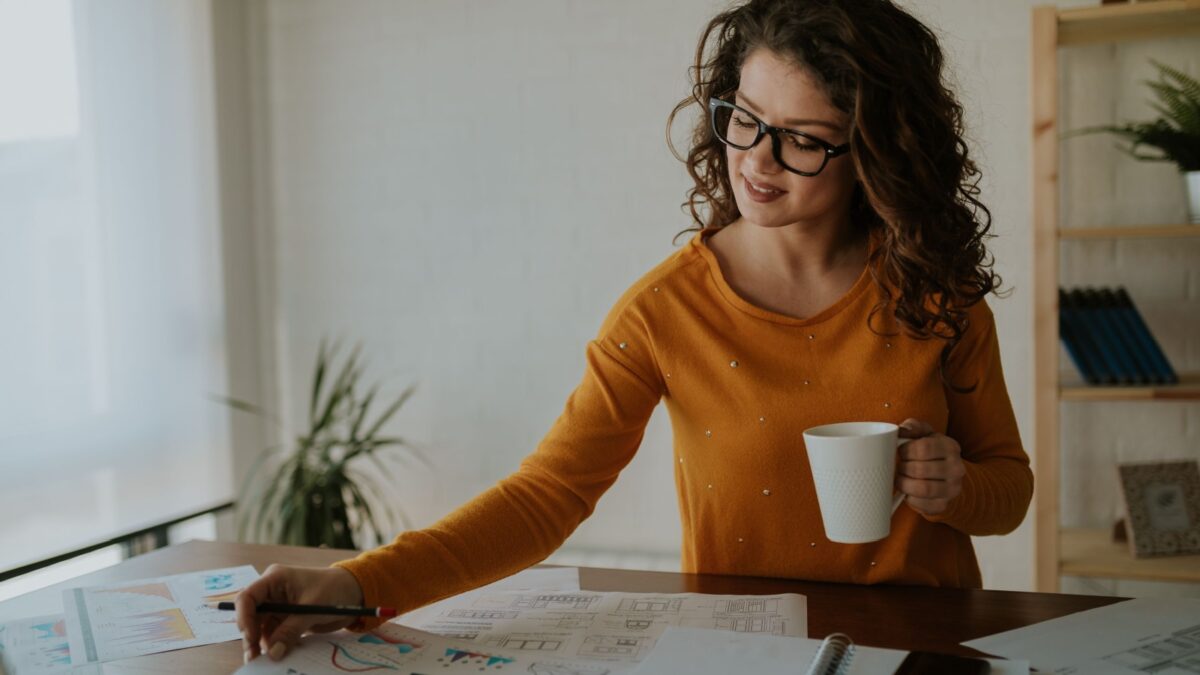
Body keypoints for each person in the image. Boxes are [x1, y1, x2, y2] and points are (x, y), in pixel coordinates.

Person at [236, 0, 1033, 662]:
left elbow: (1009, 490)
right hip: (745, 659)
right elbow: (547, 494)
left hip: (926, 653)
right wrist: (351, 583)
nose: (756, 160)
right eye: (744, 119)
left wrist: (957, 486)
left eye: (802, 141)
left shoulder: (939, 296)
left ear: (871, 153)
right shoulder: (663, 311)